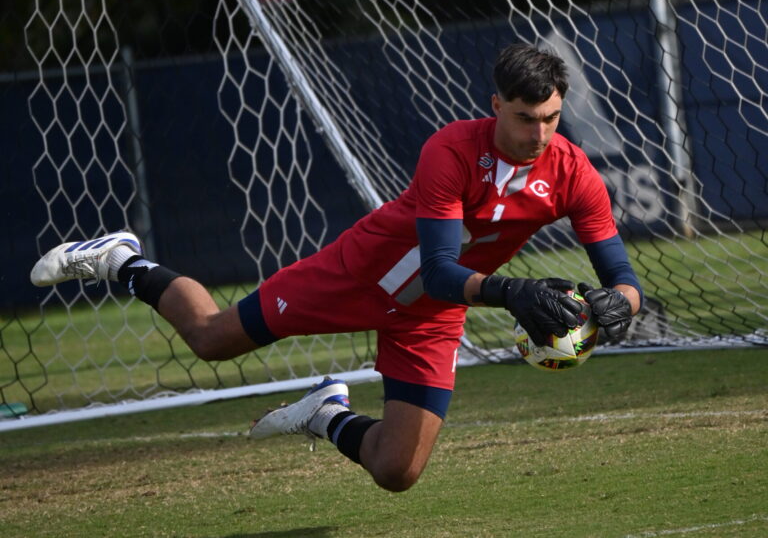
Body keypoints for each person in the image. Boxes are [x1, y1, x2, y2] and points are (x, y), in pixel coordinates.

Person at [31, 43, 642, 493]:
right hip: (360, 274)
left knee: (397, 472)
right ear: (496, 106)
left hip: (430, 318)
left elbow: (620, 272)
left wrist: (621, 304)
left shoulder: (573, 172)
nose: (540, 134)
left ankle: (325, 414)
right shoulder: (452, 150)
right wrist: (513, 291)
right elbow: (436, 269)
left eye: (552, 119)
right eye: (525, 118)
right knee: (212, 339)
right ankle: (123, 260)